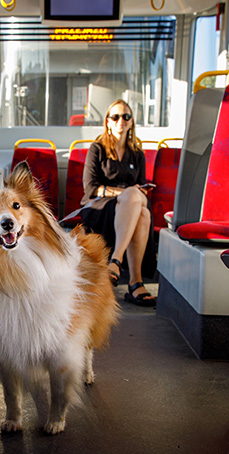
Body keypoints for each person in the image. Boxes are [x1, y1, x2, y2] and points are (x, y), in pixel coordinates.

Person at [79, 99, 157, 307]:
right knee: (140, 209)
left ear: (131, 122)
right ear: (108, 121)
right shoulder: (97, 149)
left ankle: (116, 261)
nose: (120, 120)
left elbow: (141, 188)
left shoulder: (137, 154)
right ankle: (135, 282)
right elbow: (91, 188)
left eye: (126, 116)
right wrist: (125, 193)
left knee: (138, 204)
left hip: (131, 205)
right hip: (100, 206)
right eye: (115, 117)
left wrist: (132, 193)